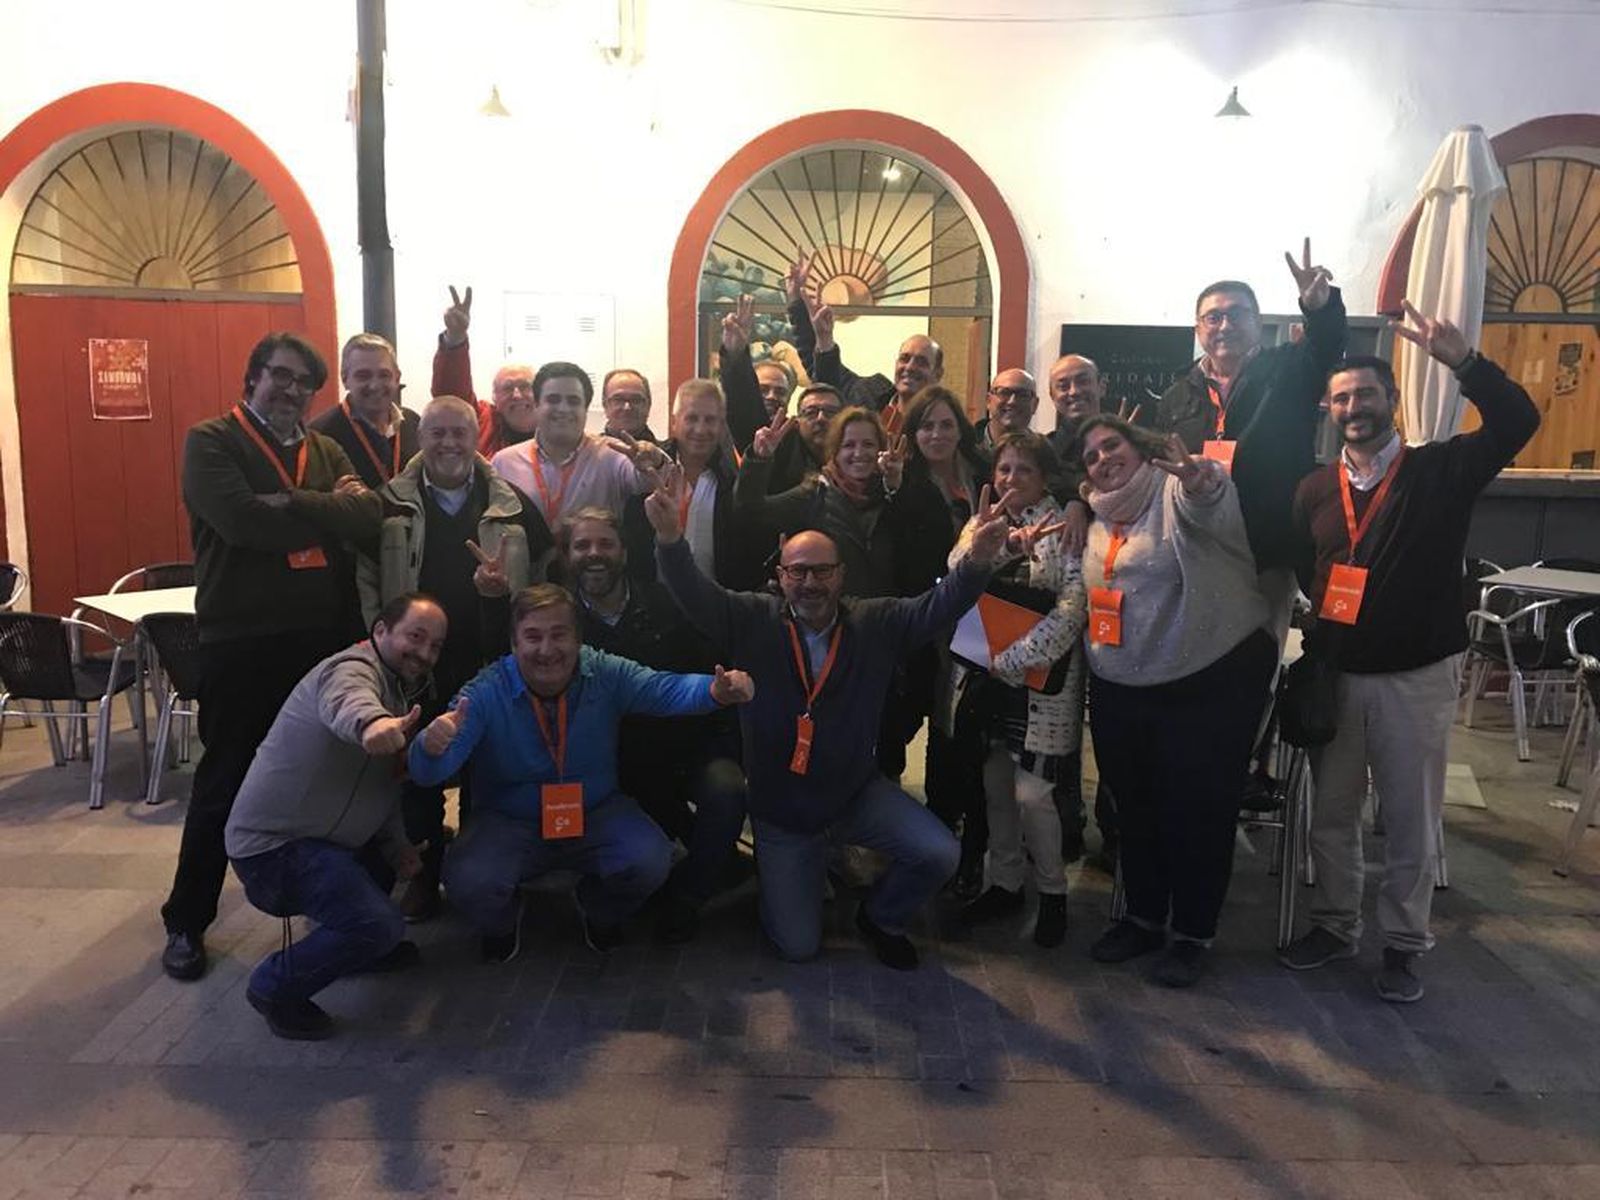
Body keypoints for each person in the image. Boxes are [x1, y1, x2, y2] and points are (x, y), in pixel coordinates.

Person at [646, 472, 1014, 968]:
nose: (810, 583)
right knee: (798, 947)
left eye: (822, 572)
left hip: (854, 796)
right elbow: (692, 592)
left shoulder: (875, 622)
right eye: (797, 572)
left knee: (939, 854)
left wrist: (976, 562)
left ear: (842, 575)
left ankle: (880, 916)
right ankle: (794, 874)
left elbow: (937, 607)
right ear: (780, 574)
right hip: (783, 815)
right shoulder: (751, 618)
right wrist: (669, 538)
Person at [1278, 304, 1539, 1003]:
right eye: (1341, 399)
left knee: (1408, 818)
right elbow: (1311, 568)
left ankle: (1401, 943)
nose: (1353, 408)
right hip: (1337, 677)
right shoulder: (1311, 490)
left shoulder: (1442, 470)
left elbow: (1519, 424)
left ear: (1392, 400)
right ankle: (1333, 925)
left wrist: (1465, 363)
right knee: (1331, 816)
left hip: (1417, 676)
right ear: (1329, 411)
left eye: (1366, 395)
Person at [160, 333, 382, 982]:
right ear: (251, 378)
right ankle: (186, 921)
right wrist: (327, 511)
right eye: (278, 377)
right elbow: (240, 524)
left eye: (301, 383)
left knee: (333, 775)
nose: (289, 391)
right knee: (223, 782)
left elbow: (368, 517)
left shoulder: (326, 446)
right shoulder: (212, 442)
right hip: (243, 641)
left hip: (322, 641)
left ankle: (346, 913)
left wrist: (294, 502)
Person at [408, 584, 754, 958]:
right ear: (513, 642)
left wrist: (715, 692)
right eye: (533, 637)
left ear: (578, 638)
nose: (547, 650)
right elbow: (429, 773)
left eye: (559, 635)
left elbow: (664, 689)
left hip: (594, 811)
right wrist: (429, 748)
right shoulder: (483, 693)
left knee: (651, 860)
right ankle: (504, 921)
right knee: (466, 881)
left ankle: (597, 908)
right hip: (510, 820)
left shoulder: (603, 671)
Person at [1078, 414, 1275, 988]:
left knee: (1198, 813)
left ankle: (1192, 933)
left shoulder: (1173, 492)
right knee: (1133, 809)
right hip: (1121, 682)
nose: (1102, 459)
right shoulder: (1095, 512)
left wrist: (1198, 479)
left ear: (1137, 448)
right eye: (1090, 455)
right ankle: (1141, 918)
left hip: (1204, 679)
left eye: (1111, 445)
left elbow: (1210, 499)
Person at [356, 394, 555, 918]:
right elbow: (365, 574)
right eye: (437, 433)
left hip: (486, 657)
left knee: (483, 769)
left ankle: (476, 869)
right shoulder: (389, 503)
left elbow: (546, 566)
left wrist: (517, 614)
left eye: (459, 433)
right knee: (417, 771)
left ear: (476, 439)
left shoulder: (510, 503)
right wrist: (381, 644)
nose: (448, 443)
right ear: (421, 439)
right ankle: (425, 871)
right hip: (413, 662)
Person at [225, 594, 446, 1039]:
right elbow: (347, 701)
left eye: (435, 646)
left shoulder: (399, 687)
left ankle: (361, 946)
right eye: (415, 637)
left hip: (326, 839)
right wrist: (371, 724)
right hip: (273, 850)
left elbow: (379, 787)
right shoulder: (350, 669)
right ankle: (274, 987)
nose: (424, 653)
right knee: (380, 923)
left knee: (383, 885)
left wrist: (397, 846)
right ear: (380, 631)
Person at [736, 405, 953, 778]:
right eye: (849, 445)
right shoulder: (814, 494)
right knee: (832, 735)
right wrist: (759, 461)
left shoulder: (896, 494)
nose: (859, 453)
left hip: (884, 634)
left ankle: (880, 816)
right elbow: (751, 512)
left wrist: (898, 490)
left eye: (869, 444)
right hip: (830, 636)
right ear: (834, 452)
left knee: (888, 738)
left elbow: (926, 549)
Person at [564, 506, 747, 941]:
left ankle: (689, 895)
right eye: (582, 545)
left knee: (726, 786)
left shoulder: (667, 603)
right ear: (567, 554)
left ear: (625, 552)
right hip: (606, 767)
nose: (594, 554)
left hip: (681, 749)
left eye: (605, 544)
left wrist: (723, 745)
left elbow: (709, 675)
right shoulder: (558, 619)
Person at [1144, 242, 1347, 631]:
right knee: (1200, 653)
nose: (1225, 325)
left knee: (1257, 661)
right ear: (1198, 329)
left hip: (1266, 548)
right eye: (1213, 317)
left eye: (1237, 314)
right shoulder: (1177, 394)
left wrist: (1320, 307)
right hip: (1197, 548)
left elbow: (1328, 345)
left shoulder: (1289, 368)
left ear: (1256, 322)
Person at [948, 432, 1086, 947]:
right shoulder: (986, 520)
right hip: (987, 677)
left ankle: (1052, 892)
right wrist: (1003, 545)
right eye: (1004, 469)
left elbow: (1075, 607)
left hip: (1041, 682)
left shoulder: (1070, 524)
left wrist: (1013, 660)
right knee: (995, 787)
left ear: (1045, 477)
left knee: (1034, 795)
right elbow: (955, 571)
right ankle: (1003, 882)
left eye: (1023, 470)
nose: (1010, 479)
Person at [898, 386, 992, 893]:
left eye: (945, 424)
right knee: (924, 724)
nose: (936, 434)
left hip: (983, 625)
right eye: (926, 426)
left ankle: (966, 843)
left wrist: (1077, 503)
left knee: (967, 736)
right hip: (927, 626)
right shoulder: (903, 483)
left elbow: (1045, 475)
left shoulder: (986, 475)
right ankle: (925, 832)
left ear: (961, 428)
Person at [621, 378, 761, 590]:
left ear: (723, 426)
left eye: (710, 420)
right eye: (692, 418)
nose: (700, 429)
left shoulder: (733, 481)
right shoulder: (646, 470)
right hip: (651, 607)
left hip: (713, 608)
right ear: (675, 422)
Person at [489, 361, 667, 526]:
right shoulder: (504, 462)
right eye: (553, 399)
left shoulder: (612, 454)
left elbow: (647, 481)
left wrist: (655, 461)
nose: (563, 408)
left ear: (586, 409)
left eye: (573, 401)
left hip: (593, 559)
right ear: (536, 404)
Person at [431, 284, 539, 456]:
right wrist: (456, 338)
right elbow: (451, 398)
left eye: (525, 386)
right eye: (508, 388)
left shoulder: (555, 425)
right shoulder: (483, 420)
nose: (517, 395)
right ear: (494, 397)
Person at [309, 333, 421, 488]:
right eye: (363, 376)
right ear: (345, 379)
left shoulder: (415, 424)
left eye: (384, 375)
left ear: (397, 378)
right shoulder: (319, 434)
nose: (374, 385)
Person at [718, 292, 799, 452]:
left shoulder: (798, 438)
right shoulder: (727, 437)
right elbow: (741, 401)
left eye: (780, 391)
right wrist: (735, 355)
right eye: (762, 389)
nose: (772, 396)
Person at [974, 369, 1039, 450]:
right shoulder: (963, 447)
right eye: (1004, 392)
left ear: (1035, 405)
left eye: (1022, 394)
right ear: (988, 401)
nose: (1012, 402)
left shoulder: (1045, 455)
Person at [599, 369, 661, 444]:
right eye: (618, 400)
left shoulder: (669, 454)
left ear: (648, 405)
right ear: (605, 405)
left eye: (635, 400)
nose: (627, 407)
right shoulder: (588, 453)